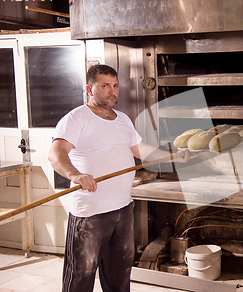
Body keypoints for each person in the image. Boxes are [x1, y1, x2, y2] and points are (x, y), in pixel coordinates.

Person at [48, 64, 193, 292]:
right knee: (80, 279)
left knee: (119, 278)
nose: (112, 91)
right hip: (90, 215)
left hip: (122, 210)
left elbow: (141, 150)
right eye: (105, 86)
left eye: (115, 85)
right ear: (89, 88)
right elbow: (55, 154)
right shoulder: (76, 119)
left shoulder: (123, 119)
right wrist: (75, 175)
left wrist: (176, 158)